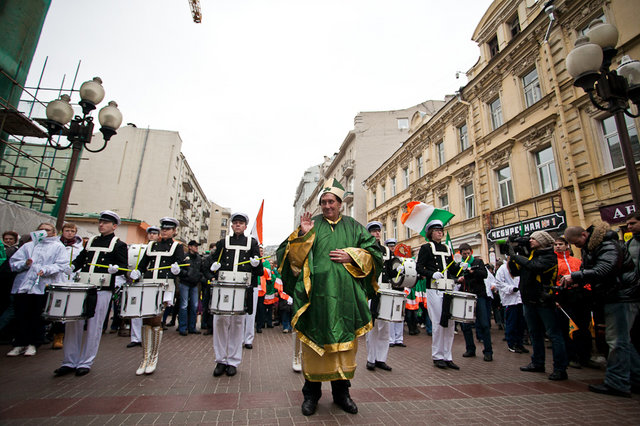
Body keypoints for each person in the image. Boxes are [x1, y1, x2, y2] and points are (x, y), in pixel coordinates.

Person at [277, 179, 382, 416]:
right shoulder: (310, 224)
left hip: (346, 299)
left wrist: (352, 255)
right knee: (316, 346)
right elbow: (288, 258)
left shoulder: (354, 227)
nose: (327, 206)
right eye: (323, 202)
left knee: (343, 349)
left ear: (340, 203)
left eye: (331, 201)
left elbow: (375, 254)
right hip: (317, 298)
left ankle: (342, 394)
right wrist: (303, 236)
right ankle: (311, 395)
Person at [563, 223, 640, 397]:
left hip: (622, 297)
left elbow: (606, 269)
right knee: (623, 341)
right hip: (614, 296)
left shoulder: (607, 245)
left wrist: (576, 276)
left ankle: (617, 383)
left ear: (584, 235)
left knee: (617, 341)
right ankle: (635, 378)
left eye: (577, 243)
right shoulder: (594, 247)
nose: (577, 247)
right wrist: (579, 280)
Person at [54, 211, 128, 376]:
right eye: (100, 222)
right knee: (74, 324)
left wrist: (115, 270)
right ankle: (69, 361)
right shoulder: (91, 241)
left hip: (102, 289)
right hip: (82, 286)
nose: (101, 225)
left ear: (114, 226)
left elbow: (123, 267)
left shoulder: (119, 245)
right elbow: (81, 259)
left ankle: (86, 362)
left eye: (105, 223)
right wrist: (72, 266)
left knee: (94, 326)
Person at [204, 212, 263, 377]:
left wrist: (256, 264)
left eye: (241, 223)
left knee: (238, 324)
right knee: (220, 322)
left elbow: (258, 271)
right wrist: (212, 271)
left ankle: (233, 361)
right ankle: (220, 360)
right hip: (224, 286)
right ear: (231, 226)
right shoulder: (223, 242)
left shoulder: (252, 243)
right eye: (235, 222)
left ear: (245, 226)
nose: (238, 225)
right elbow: (208, 264)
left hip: (242, 288)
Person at [507, 230, 568, 381]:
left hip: (543, 300)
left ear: (543, 241)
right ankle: (537, 362)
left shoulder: (550, 256)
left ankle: (560, 368)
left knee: (554, 334)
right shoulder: (530, 254)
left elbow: (535, 267)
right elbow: (516, 271)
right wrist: (512, 256)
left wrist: (517, 256)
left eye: (534, 239)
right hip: (528, 300)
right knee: (534, 333)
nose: (530, 241)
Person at [129, 217, 185, 375]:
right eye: (163, 228)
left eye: (168, 229)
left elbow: (181, 265)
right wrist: (137, 271)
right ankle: (145, 358)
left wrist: (177, 270)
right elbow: (143, 263)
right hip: (148, 283)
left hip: (165, 286)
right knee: (146, 320)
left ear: (174, 231)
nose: (165, 231)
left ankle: (153, 357)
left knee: (156, 318)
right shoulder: (152, 245)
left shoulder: (176, 246)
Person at [7, 223, 68, 357]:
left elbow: (61, 265)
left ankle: (33, 343)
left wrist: (45, 269)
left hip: (42, 286)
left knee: (37, 315)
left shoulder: (58, 247)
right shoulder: (28, 246)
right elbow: (13, 263)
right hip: (23, 286)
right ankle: (19, 343)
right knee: (21, 315)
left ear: (53, 233)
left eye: (47, 230)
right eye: (41, 230)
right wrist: (25, 264)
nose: (44, 232)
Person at [416, 220, 462, 370]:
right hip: (434, 289)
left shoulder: (447, 248)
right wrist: (431, 274)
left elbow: (453, 270)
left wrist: (460, 267)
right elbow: (419, 267)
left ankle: (448, 356)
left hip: (449, 288)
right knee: (437, 323)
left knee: (450, 323)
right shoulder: (426, 248)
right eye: (436, 230)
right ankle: (437, 355)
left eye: (441, 230)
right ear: (430, 233)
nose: (440, 232)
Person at [554, 236, 592, 369]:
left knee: (584, 326)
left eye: (560, 244)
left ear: (567, 246)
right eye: (556, 244)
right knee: (568, 328)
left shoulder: (576, 261)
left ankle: (586, 356)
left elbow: (586, 276)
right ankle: (572, 356)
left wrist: (586, 290)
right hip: (563, 296)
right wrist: (556, 299)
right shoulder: (553, 262)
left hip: (580, 296)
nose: (558, 246)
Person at [365, 221, 393, 372]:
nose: (377, 233)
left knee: (385, 328)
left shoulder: (387, 251)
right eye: (373, 231)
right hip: (372, 292)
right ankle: (371, 359)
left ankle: (381, 359)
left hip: (386, 290)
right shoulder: (366, 248)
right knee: (373, 327)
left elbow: (391, 271)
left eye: (378, 231)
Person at [50, 222, 84, 350]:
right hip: (55, 279)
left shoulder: (79, 248)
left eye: (72, 231)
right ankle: (52, 333)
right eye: (67, 230)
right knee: (54, 308)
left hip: (71, 281)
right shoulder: (55, 245)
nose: (69, 233)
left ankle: (60, 335)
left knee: (67, 309)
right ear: (62, 231)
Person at [457, 243, 491, 361]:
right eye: (464, 254)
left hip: (479, 295)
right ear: (460, 254)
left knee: (484, 324)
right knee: (465, 325)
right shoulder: (458, 264)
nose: (466, 255)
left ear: (471, 252)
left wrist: (471, 271)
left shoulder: (478, 262)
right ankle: (470, 348)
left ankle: (488, 351)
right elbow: (455, 276)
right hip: (466, 295)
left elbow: (484, 274)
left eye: (468, 253)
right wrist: (459, 279)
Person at [128, 226, 160, 348]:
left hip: (151, 281)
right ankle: (135, 338)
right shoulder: (141, 248)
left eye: (155, 234)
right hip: (137, 280)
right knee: (135, 309)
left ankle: (147, 336)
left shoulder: (159, 248)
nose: (152, 235)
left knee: (149, 310)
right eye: (150, 233)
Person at [494, 259, 527, 353]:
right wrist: (511, 289)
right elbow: (499, 283)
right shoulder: (503, 268)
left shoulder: (520, 266)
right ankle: (511, 344)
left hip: (521, 299)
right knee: (511, 322)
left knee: (521, 323)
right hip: (510, 300)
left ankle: (520, 343)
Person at [178, 240, 205, 336]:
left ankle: (192, 327)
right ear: (189, 247)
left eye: (197, 246)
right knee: (184, 306)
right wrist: (186, 274)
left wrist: (199, 276)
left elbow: (202, 270)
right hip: (185, 283)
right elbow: (178, 269)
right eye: (194, 246)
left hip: (194, 284)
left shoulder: (199, 258)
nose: (196, 247)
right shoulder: (184, 257)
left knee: (194, 306)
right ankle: (182, 328)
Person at [385, 238, 406, 348]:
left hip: (399, 288)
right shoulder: (387, 258)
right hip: (391, 287)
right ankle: (391, 338)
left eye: (393, 246)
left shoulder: (399, 258)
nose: (392, 248)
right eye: (390, 246)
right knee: (391, 314)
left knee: (400, 314)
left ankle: (399, 338)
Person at [0, 231, 19, 341]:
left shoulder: (15, 251)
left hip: (10, 283)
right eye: (6, 239)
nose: (8, 241)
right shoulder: (3, 249)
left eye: (10, 239)